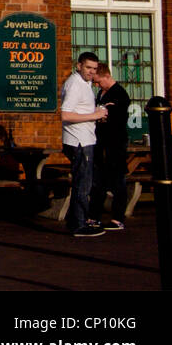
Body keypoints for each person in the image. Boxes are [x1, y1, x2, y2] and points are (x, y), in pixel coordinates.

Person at [60, 52, 109, 237]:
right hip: (79, 141)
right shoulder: (75, 84)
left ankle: (76, 220)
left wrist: (96, 111)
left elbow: (79, 110)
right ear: (78, 65)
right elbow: (66, 114)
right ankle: (79, 224)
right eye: (88, 67)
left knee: (85, 182)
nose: (91, 72)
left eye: (94, 69)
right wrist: (94, 115)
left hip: (85, 138)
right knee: (83, 184)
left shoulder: (85, 84)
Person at [89, 61, 131, 232]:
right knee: (98, 181)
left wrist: (106, 113)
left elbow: (116, 118)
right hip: (101, 142)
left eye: (98, 81)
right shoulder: (102, 93)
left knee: (117, 180)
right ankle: (94, 217)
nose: (97, 85)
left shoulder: (120, 94)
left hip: (116, 143)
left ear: (107, 75)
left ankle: (118, 218)